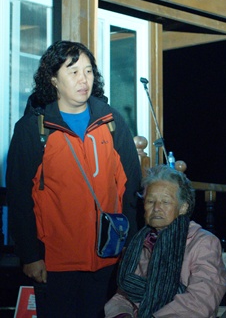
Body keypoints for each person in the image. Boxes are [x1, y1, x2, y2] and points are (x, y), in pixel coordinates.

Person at [6, 41, 142, 317]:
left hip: (107, 259)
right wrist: (31, 256)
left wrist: (130, 248)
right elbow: (19, 197)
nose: (84, 80)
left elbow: (131, 191)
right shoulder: (34, 129)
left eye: (89, 71)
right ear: (53, 79)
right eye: (74, 72)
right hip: (55, 262)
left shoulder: (112, 122)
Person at [104, 164, 226, 318]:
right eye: (150, 201)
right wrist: (121, 314)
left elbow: (202, 298)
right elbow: (122, 296)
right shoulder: (140, 245)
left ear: (183, 208)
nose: (156, 208)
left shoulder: (203, 242)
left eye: (165, 202)